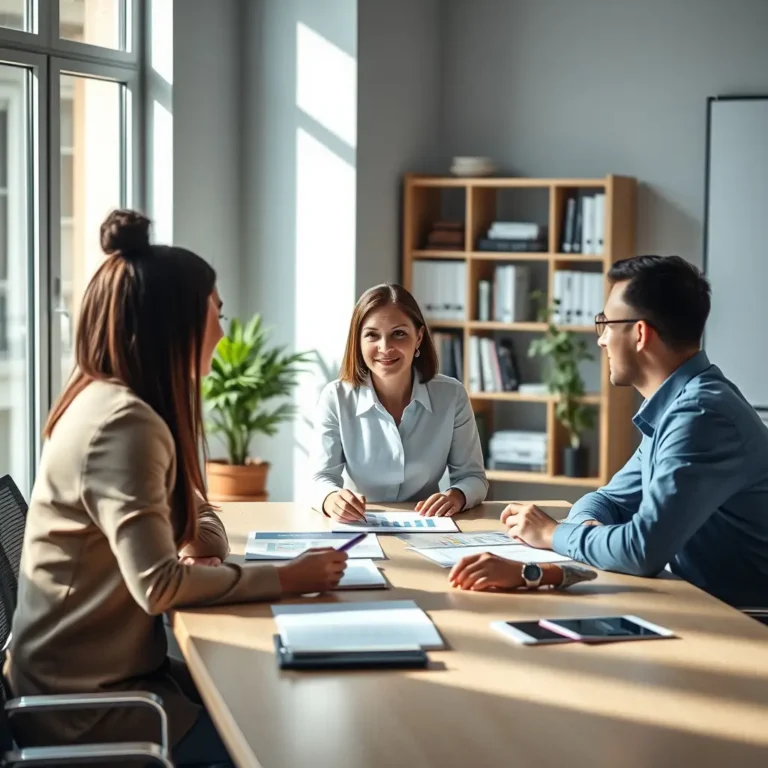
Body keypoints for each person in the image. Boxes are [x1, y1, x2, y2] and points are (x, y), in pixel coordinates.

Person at [3, 210, 347, 765]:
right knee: (282, 741)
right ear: (176, 322)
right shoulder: (123, 424)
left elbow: (199, 529)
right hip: (85, 709)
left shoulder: (124, 403)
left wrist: (194, 537)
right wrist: (289, 577)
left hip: (112, 678)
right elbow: (160, 586)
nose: (224, 331)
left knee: (271, 699)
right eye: (216, 312)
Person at [498, 255, 768, 608]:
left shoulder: (701, 415)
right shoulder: (677, 405)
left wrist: (552, 532)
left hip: (742, 621)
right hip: (693, 602)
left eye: (607, 324)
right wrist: (587, 532)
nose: (602, 340)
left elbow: (641, 550)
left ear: (640, 333)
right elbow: (606, 501)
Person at [311, 283, 488, 521]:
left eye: (399, 334)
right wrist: (332, 499)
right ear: (358, 341)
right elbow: (320, 479)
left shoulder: (451, 395)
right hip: (359, 524)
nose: (385, 347)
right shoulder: (336, 397)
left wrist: (456, 496)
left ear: (419, 337)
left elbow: (473, 477)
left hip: (427, 523)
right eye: (372, 335)